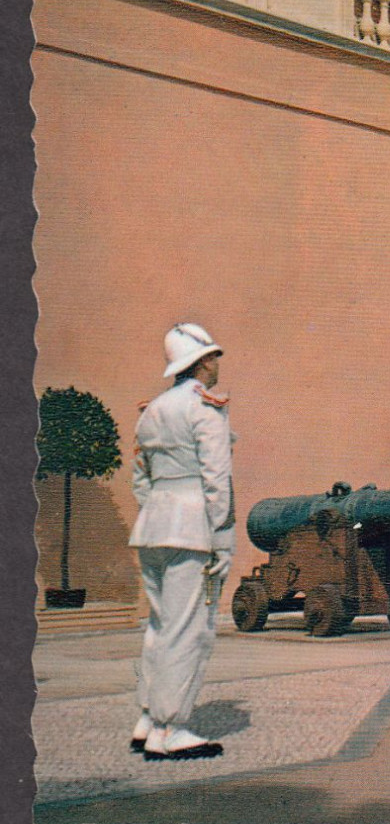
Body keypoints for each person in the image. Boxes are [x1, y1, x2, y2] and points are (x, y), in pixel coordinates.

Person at [130, 323, 234, 761]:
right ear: (198, 364)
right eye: (212, 357)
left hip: (154, 526)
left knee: (159, 626)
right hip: (192, 529)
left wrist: (157, 512)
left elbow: (140, 479)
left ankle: (149, 719)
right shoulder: (204, 409)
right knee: (189, 629)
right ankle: (172, 729)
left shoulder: (151, 410)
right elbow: (216, 479)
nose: (216, 364)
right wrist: (222, 540)